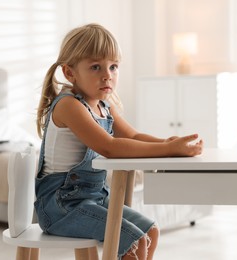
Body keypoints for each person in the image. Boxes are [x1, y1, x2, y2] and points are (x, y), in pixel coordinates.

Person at [35, 23, 203, 260]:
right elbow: (110, 147)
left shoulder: (104, 105)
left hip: (94, 198)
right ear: (70, 73)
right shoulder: (69, 105)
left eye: (113, 67)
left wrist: (167, 143)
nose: (108, 75)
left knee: (150, 232)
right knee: (132, 239)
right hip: (61, 207)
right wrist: (166, 148)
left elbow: (133, 136)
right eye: (96, 67)